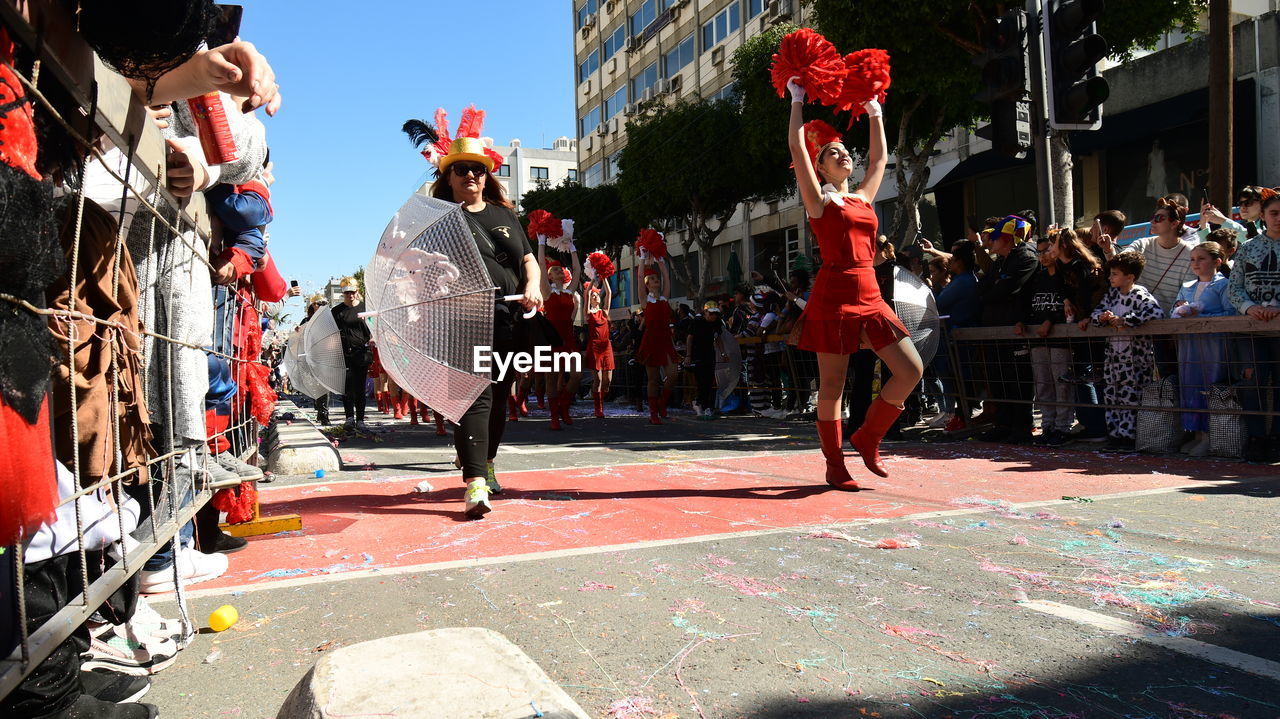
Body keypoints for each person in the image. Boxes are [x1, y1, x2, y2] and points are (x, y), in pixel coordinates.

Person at [785, 77, 923, 488]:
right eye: (833, 153)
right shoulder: (820, 200)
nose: (844, 156)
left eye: (846, 151)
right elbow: (796, 147)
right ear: (820, 166)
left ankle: (867, 438)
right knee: (833, 386)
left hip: (870, 292)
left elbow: (880, 159)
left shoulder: (863, 197)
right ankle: (834, 463)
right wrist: (796, 101)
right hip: (834, 293)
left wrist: (874, 110)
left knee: (910, 370)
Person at [406, 106, 542, 518]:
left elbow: (529, 262)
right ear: (448, 176)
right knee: (474, 398)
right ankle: (475, 482)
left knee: (500, 398)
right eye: (462, 169)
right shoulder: (437, 221)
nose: (471, 176)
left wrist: (534, 286)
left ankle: (486, 463)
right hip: (462, 323)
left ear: (487, 175)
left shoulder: (505, 215)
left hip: (509, 321)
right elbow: (422, 272)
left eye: (478, 170)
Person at [1091, 253, 1165, 452]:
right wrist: (1103, 317)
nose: (1110, 278)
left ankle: (1130, 437)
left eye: (1115, 274)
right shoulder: (1111, 295)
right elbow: (1095, 314)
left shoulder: (1139, 293)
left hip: (1135, 358)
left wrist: (1127, 320)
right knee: (1112, 394)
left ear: (1130, 277)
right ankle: (1115, 435)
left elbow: (1156, 312)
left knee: (1132, 396)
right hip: (1114, 357)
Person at [1227, 188, 1280, 461]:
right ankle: (1256, 437)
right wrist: (1251, 307)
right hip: (1250, 328)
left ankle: (1277, 440)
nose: (1278, 218)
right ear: (1264, 215)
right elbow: (1233, 288)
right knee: (1252, 382)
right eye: (1274, 213)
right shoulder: (1248, 248)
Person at [977, 215, 1039, 443]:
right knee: (998, 377)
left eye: (994, 237)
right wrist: (996, 285)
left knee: (1017, 378)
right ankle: (1003, 423)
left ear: (1006, 238)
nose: (990, 241)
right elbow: (983, 289)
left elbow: (1008, 290)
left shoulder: (1026, 257)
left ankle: (1021, 426)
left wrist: (996, 287)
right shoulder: (1000, 262)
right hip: (994, 328)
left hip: (1014, 328)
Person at [1172, 241, 1234, 456]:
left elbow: (1231, 313)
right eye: (1192, 259)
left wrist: (1202, 317)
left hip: (1213, 346)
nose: (1196, 264)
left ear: (1217, 261)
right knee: (1190, 384)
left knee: (1210, 383)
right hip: (1189, 345)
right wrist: (1180, 311)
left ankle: (1211, 435)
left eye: (1201, 259)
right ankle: (1196, 433)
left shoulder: (1224, 285)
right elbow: (1175, 309)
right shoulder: (1186, 286)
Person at [1017, 237, 1073, 446]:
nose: (1043, 256)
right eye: (1039, 252)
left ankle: (1062, 427)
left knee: (1062, 384)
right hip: (1037, 338)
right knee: (1043, 384)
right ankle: (1047, 426)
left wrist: (1051, 320)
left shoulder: (1066, 276)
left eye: (1047, 251)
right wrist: (1022, 321)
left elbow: (1072, 305)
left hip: (1060, 338)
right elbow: (1026, 303)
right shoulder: (1036, 278)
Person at [537, 248, 582, 431]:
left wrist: (572, 248)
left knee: (576, 375)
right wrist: (540, 242)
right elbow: (540, 265)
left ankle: (563, 407)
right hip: (552, 339)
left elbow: (577, 270)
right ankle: (555, 415)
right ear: (549, 276)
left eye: (561, 269)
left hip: (568, 339)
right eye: (555, 270)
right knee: (551, 378)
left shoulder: (570, 291)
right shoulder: (547, 291)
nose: (560, 271)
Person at [635, 255, 679, 425]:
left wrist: (660, 260)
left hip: (666, 340)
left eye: (656, 278)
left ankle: (662, 403)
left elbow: (667, 276)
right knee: (653, 379)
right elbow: (639, 277)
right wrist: (642, 258)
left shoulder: (664, 298)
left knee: (673, 374)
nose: (656, 280)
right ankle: (654, 412)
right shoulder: (645, 301)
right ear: (647, 284)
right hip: (651, 341)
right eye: (652, 278)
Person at [331, 277, 373, 432]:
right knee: (347, 387)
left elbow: (373, 328)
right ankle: (349, 418)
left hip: (362, 354)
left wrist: (373, 338)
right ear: (343, 293)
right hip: (343, 354)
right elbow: (327, 330)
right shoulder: (336, 311)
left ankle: (360, 419)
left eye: (352, 292)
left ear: (357, 292)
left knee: (360, 387)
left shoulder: (365, 308)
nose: (350, 295)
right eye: (347, 292)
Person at [684, 301, 729, 419]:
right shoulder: (697, 322)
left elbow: (718, 338)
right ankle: (699, 403)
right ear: (705, 312)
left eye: (715, 313)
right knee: (701, 380)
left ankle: (707, 406)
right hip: (697, 354)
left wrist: (723, 352)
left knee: (709, 381)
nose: (713, 316)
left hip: (710, 354)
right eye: (711, 313)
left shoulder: (716, 323)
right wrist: (688, 355)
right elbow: (690, 338)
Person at [583, 276, 615, 418]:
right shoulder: (588, 313)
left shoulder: (605, 312)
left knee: (608, 381)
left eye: (597, 295)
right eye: (593, 295)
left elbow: (609, 293)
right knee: (599, 380)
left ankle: (601, 400)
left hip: (606, 346)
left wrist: (604, 276)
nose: (596, 296)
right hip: (595, 346)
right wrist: (591, 286)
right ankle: (598, 408)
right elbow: (588, 293)